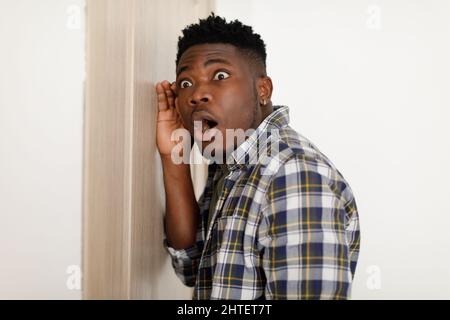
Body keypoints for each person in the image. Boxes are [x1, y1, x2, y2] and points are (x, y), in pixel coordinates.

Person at [155, 13, 360, 300]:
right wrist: (173, 157)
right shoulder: (231, 165)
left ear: (262, 89)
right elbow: (191, 267)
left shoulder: (293, 175)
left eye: (220, 76)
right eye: (186, 83)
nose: (197, 94)